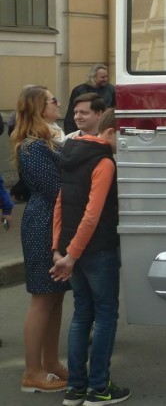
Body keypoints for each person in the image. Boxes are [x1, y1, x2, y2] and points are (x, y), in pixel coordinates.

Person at [50, 110, 130, 405]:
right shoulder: (104, 161)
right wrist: (70, 256)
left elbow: (60, 204)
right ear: (110, 132)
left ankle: (76, 388)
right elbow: (93, 215)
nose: (123, 142)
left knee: (81, 314)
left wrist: (60, 249)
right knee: (106, 315)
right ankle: (100, 388)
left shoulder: (70, 155)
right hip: (98, 250)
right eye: (121, 135)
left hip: (72, 249)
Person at [11, 86, 69, 393]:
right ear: (38, 108)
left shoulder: (50, 139)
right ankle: (32, 371)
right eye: (52, 100)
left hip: (53, 220)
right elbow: (53, 186)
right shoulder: (33, 146)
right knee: (43, 298)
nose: (58, 104)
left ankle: (51, 363)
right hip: (43, 222)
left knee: (55, 296)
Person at [64, 64, 115, 135]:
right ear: (93, 77)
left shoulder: (111, 90)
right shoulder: (79, 90)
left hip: (104, 129)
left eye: (107, 77)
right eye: (103, 77)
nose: (105, 79)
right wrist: (70, 133)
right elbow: (70, 114)